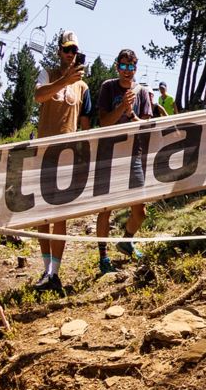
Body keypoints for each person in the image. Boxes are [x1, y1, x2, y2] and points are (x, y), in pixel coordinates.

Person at [30, 31, 91, 295]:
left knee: (61, 214)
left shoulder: (83, 86)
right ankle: (46, 269)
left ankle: (55, 272)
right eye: (67, 50)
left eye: (74, 50)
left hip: (68, 154)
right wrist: (64, 80)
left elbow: (87, 122)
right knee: (42, 214)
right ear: (59, 52)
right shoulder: (48, 73)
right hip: (44, 151)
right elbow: (39, 96)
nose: (71, 54)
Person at [94, 50, 164, 275]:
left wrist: (130, 113)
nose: (126, 71)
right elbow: (104, 122)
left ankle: (126, 241)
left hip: (134, 155)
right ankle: (103, 257)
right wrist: (120, 107)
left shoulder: (142, 92)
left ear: (136, 68)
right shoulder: (108, 87)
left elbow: (145, 126)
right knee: (106, 208)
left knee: (140, 211)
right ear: (117, 67)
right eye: (123, 67)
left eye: (130, 67)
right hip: (109, 155)